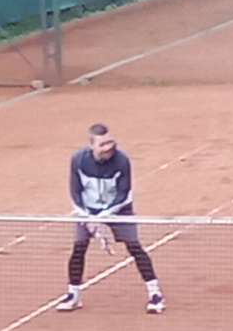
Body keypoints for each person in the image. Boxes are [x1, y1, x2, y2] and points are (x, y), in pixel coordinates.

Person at [59, 123, 164, 315]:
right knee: (78, 248)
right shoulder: (78, 160)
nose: (108, 147)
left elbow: (123, 194)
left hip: (119, 210)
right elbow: (75, 192)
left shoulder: (122, 160)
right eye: (103, 144)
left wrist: (102, 217)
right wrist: (87, 216)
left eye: (110, 142)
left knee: (134, 247)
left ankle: (155, 293)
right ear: (92, 146)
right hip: (88, 211)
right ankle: (73, 295)